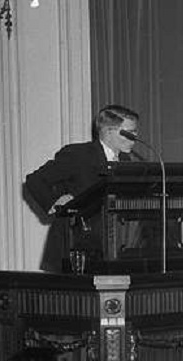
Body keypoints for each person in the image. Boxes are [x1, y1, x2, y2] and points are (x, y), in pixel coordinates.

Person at [25, 105, 141, 273]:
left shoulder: (126, 161)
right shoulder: (79, 154)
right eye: (130, 133)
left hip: (110, 249)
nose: (135, 138)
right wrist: (54, 203)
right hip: (74, 247)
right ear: (109, 132)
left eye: (136, 132)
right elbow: (35, 180)